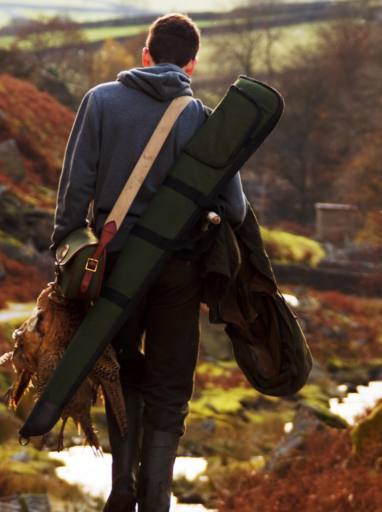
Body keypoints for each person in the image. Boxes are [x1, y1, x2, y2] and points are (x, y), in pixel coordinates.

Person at [50, 13, 246, 512]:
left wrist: (65, 250)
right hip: (178, 271)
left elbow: (75, 192)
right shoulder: (200, 117)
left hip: (113, 266)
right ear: (191, 65)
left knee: (120, 373)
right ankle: (157, 498)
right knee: (170, 385)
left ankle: (122, 487)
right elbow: (237, 208)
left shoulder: (99, 101)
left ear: (145, 54)